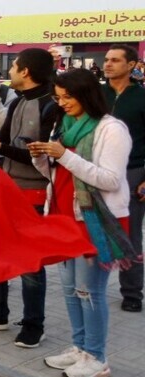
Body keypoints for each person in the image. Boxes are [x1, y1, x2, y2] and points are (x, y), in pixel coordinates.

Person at [30, 69, 134, 377]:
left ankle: (98, 357)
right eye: (58, 97)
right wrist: (41, 156)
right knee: (71, 290)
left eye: (68, 97)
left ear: (86, 94)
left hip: (94, 220)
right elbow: (56, 173)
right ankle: (79, 348)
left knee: (91, 292)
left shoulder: (111, 129)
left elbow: (111, 180)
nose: (62, 103)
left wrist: (63, 156)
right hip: (64, 217)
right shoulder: (68, 125)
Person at [0, 48, 59, 348]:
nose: (9, 71)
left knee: (30, 260)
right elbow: (4, 141)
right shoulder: (18, 101)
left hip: (33, 193)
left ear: (26, 72)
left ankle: (34, 324)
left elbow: (41, 156)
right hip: (6, 187)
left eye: (14, 66)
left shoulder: (50, 106)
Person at [102, 44, 145, 313]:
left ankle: (132, 292)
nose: (108, 64)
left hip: (133, 172)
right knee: (93, 230)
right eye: (106, 60)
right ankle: (89, 285)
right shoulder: (96, 95)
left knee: (129, 235)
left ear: (131, 65)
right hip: (95, 172)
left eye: (115, 60)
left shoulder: (140, 98)